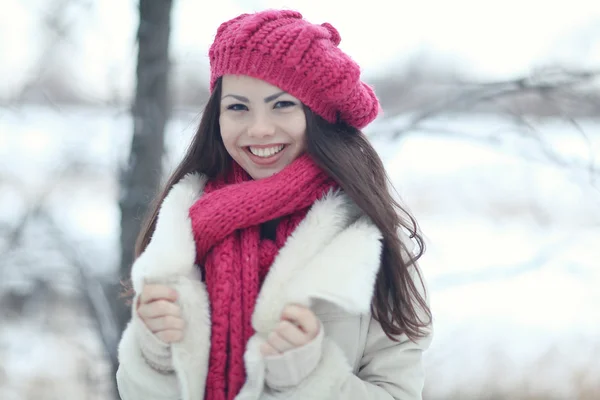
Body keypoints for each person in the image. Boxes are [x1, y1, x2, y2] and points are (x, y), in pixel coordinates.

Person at [116, 9, 433, 400]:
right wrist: (155, 353)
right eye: (237, 107)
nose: (259, 128)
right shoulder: (181, 228)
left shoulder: (370, 238)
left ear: (316, 114)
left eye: (282, 105)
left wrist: (307, 375)